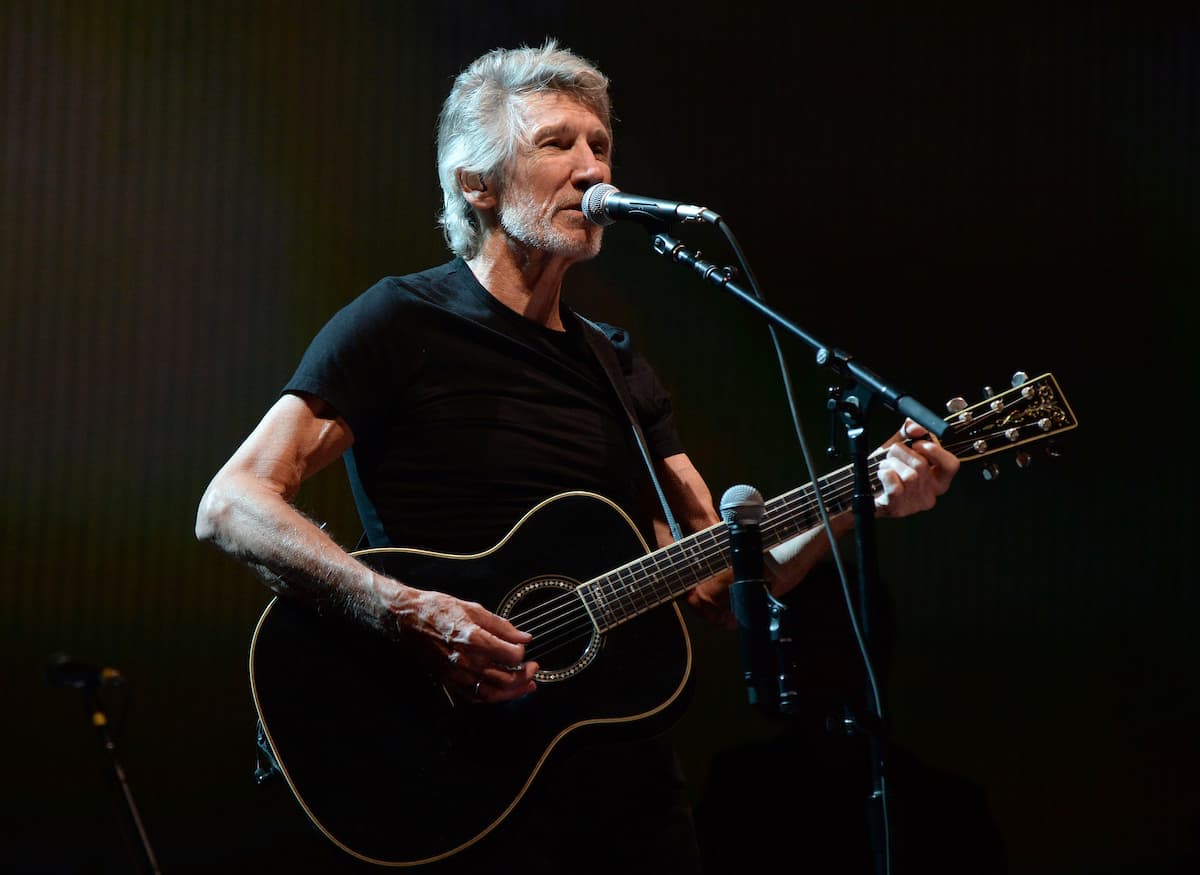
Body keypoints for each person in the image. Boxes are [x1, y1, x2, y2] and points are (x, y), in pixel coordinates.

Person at [195, 38, 960, 874]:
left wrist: (862, 495)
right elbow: (232, 503)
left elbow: (721, 580)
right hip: (449, 769)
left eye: (600, 145)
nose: (592, 169)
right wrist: (406, 610)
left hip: (623, 789)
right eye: (557, 143)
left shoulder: (617, 366)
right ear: (476, 183)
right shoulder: (399, 323)